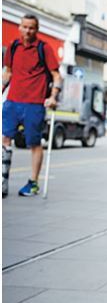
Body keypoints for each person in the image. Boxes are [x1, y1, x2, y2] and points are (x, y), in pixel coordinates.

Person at [2, 15, 63, 198]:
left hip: (34, 104)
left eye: (32, 28)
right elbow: (9, 72)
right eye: (25, 27)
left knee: (34, 144)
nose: (28, 31)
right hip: (12, 101)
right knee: (5, 140)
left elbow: (56, 75)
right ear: (19, 27)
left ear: (37, 30)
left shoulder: (43, 48)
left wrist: (53, 96)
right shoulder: (13, 46)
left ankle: (33, 183)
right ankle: (3, 181)